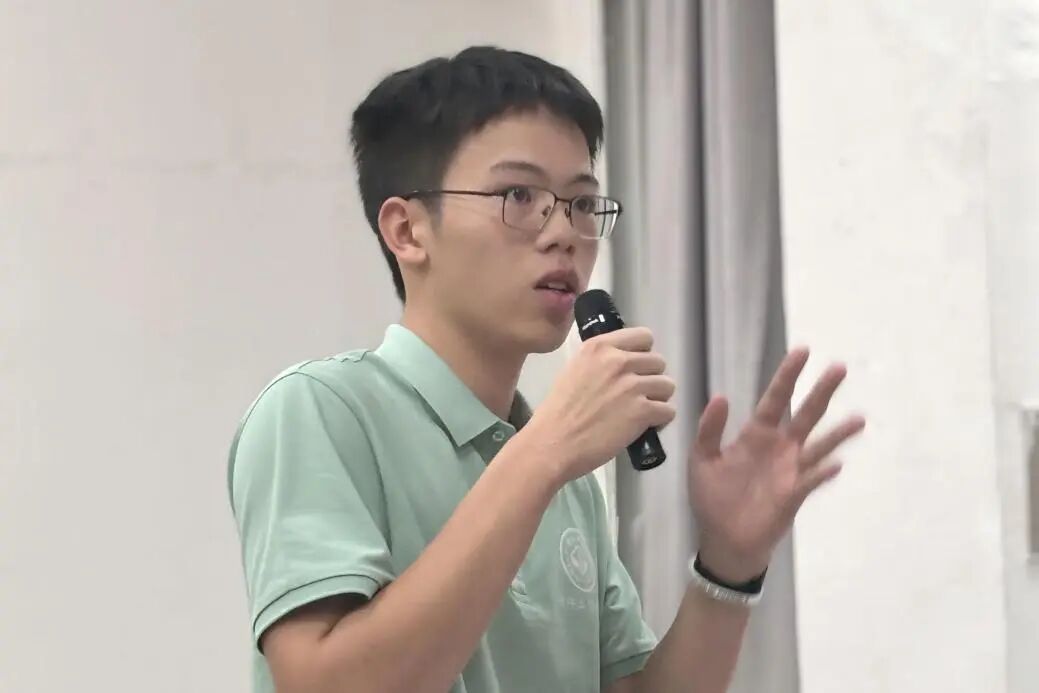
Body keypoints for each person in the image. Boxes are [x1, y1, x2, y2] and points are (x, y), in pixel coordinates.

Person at [227, 45, 865, 693]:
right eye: (519, 195)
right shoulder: (319, 411)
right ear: (408, 231)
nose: (564, 233)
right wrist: (544, 454)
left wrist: (729, 563)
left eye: (582, 203)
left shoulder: (566, 479)